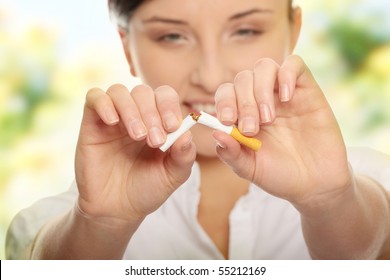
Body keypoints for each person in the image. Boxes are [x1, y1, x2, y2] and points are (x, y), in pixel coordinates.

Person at [6, 0, 390, 260]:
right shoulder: (76, 217)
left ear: (294, 30)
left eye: (245, 31)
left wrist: (331, 203)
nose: (209, 76)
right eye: (172, 36)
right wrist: (101, 225)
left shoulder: (369, 182)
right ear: (127, 48)